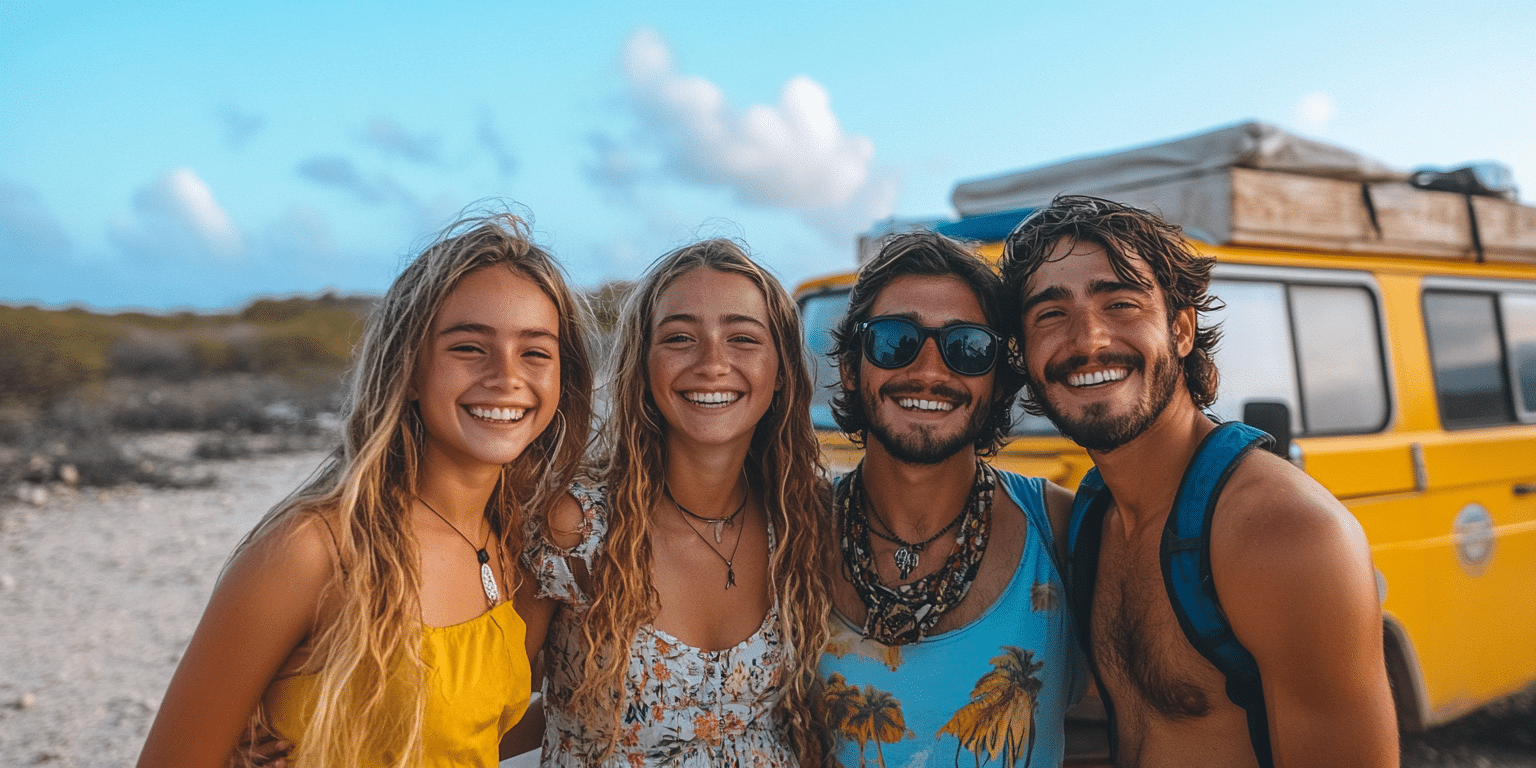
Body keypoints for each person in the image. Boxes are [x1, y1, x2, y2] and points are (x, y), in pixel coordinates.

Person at [136, 212, 594, 768]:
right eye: (468, 347)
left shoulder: (517, 548)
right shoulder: (316, 552)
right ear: (410, 367)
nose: (506, 375)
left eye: (535, 352)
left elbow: (469, 734)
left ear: (561, 378)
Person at [998, 194, 1398, 768]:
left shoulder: (1286, 534)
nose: (1087, 341)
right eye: (1050, 315)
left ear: (1181, 330)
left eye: (1121, 304)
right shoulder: (1088, 519)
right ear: (1025, 353)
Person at [530, 239, 832, 766]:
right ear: (643, 365)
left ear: (781, 370)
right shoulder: (577, 527)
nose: (713, 363)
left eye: (742, 338)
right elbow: (490, 711)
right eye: (679, 338)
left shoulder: (804, 521)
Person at [818, 230, 1084, 768]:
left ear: (999, 381)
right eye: (895, 340)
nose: (931, 371)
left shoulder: (1062, 531)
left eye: (967, 348)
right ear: (850, 368)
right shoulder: (793, 531)